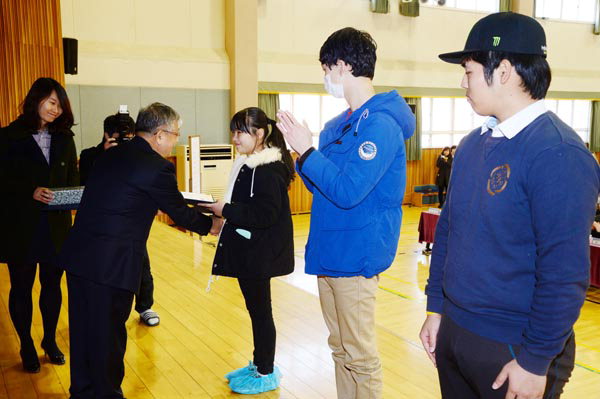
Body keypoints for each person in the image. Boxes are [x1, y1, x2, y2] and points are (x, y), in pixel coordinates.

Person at [419, 12, 600, 399]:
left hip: (512, 349)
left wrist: (535, 360)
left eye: (468, 71)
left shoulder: (558, 153)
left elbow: (564, 271)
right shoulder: (472, 144)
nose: (462, 82)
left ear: (502, 71)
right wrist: (436, 309)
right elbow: (448, 231)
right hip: (456, 330)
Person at [277, 27, 416, 399]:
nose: (325, 78)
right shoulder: (338, 126)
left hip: (356, 254)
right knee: (340, 349)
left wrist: (308, 152)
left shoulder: (380, 125)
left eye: (326, 69)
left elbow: (349, 191)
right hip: (329, 250)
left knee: (360, 355)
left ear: (342, 66)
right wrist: (301, 154)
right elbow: (323, 187)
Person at [59, 102, 218, 399]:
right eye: (174, 134)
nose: (175, 141)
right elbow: (180, 214)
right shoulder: (158, 168)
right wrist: (214, 225)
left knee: (82, 333)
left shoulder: (111, 154)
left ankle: (81, 392)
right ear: (159, 134)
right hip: (111, 265)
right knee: (108, 338)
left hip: (79, 256)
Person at [204, 107, 294, 395]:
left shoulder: (267, 169)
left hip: (260, 254)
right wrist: (220, 210)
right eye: (233, 131)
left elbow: (265, 214)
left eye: (240, 131)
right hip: (250, 250)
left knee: (260, 312)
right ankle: (259, 362)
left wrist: (225, 209)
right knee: (256, 310)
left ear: (260, 133)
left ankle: (265, 370)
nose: (234, 138)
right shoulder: (248, 163)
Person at [0, 77, 79, 373]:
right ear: (36, 100)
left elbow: (72, 177)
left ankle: (48, 340)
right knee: (21, 287)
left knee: (52, 286)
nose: (57, 110)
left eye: (60, 105)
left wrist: (73, 197)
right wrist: (29, 191)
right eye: (52, 103)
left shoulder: (64, 138)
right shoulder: (8, 137)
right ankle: (26, 343)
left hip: (56, 227)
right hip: (20, 227)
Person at [79, 112, 160, 327]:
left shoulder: (137, 155)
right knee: (100, 268)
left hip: (130, 222)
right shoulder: (90, 155)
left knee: (141, 262)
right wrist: (104, 156)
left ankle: (145, 306)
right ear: (106, 134)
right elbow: (85, 185)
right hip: (99, 224)